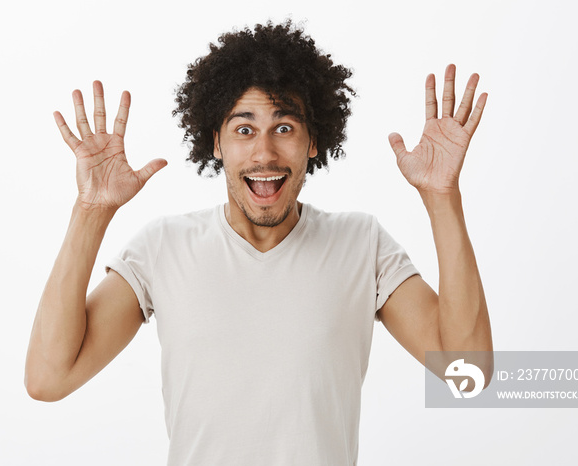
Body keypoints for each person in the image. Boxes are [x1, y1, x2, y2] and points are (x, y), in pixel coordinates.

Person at [25, 21, 493, 465]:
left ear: (313, 141)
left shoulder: (361, 245)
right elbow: (48, 378)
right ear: (216, 143)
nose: (265, 153)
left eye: (284, 128)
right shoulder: (162, 248)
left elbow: (468, 375)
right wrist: (91, 212)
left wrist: (441, 197)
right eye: (244, 129)